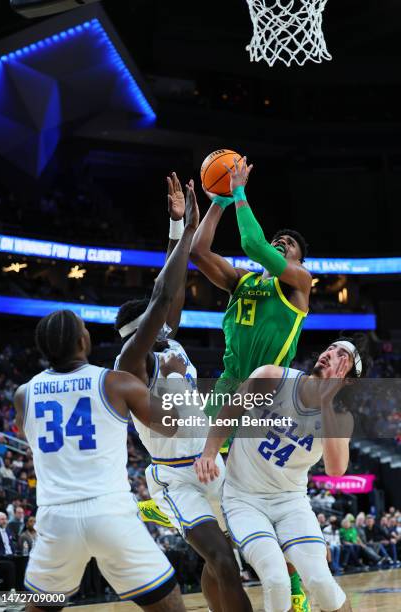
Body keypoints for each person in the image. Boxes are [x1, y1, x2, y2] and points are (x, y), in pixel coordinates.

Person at [114, 175, 252, 612]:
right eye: (155, 326)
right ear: (141, 333)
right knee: (224, 560)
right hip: (175, 475)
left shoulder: (167, 341)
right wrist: (174, 381)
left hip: (211, 461)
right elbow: (168, 421)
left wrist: (178, 227)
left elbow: (168, 291)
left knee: (226, 562)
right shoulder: (132, 363)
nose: (165, 325)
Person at [191, 156, 312, 609]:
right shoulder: (242, 281)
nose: (280, 247)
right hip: (228, 386)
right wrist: (219, 202)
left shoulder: (298, 283)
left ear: (297, 261)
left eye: (289, 246)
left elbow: (255, 243)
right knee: (207, 484)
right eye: (278, 242)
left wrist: (241, 192)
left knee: (269, 498)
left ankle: (295, 586)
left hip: (267, 396)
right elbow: (199, 253)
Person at [13, 310, 188, 612]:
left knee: (40, 605)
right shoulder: (115, 383)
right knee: (168, 604)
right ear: (83, 340)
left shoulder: (22, 394)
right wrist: (175, 377)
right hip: (110, 512)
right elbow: (171, 424)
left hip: (55, 517)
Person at [195, 337, 369, 612]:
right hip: (244, 499)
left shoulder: (341, 418)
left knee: (322, 583)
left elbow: (336, 469)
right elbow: (230, 410)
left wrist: (325, 402)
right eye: (331, 348)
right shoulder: (272, 378)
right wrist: (209, 452)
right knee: (276, 579)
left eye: (342, 356)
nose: (330, 354)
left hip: (290, 502)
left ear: (347, 378)